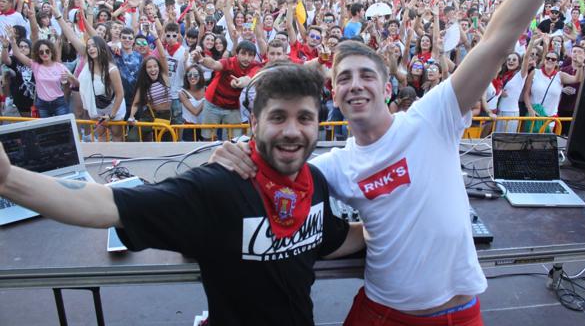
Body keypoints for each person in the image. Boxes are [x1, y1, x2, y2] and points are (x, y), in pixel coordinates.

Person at [209, 0, 580, 324]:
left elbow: (498, 38)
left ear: (386, 88)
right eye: (343, 78)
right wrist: (226, 160)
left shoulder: (432, 117)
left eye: (367, 75)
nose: (355, 85)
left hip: (463, 314)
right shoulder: (336, 166)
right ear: (334, 93)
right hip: (385, 313)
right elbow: (271, 170)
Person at [0, 63, 363, 326]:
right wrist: (10, 181)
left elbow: (332, 238)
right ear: (253, 123)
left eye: (304, 118)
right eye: (278, 117)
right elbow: (104, 204)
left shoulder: (313, 183)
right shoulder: (218, 186)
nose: (292, 131)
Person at [78, 36, 126, 142]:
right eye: (88, 46)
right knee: (101, 135)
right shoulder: (88, 67)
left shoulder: (112, 69)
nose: (91, 49)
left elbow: (120, 94)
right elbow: (72, 38)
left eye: (94, 46)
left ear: (102, 48)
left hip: (114, 107)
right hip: (98, 107)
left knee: (117, 134)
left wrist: (111, 115)